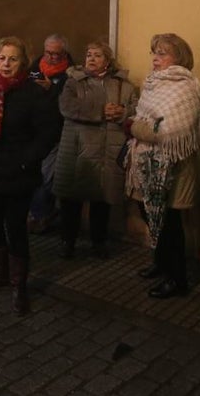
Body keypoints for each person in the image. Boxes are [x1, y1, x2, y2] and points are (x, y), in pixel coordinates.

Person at [0, 36, 60, 314]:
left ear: (23, 63)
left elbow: (47, 133)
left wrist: (26, 160)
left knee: (16, 229)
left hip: (18, 175)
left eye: (13, 59)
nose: (6, 64)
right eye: (2, 58)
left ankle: (19, 284)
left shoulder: (32, 93)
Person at [123, 34, 200, 299]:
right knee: (153, 219)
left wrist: (133, 126)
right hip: (148, 167)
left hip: (175, 170)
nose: (156, 58)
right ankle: (160, 264)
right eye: (154, 53)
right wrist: (138, 125)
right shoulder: (153, 84)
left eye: (162, 53)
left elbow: (168, 132)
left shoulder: (185, 87)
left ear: (179, 58)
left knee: (170, 225)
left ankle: (176, 278)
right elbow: (147, 118)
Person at [53, 41, 137, 259]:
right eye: (88, 54)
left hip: (107, 150)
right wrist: (99, 110)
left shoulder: (123, 85)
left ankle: (99, 242)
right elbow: (66, 106)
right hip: (78, 150)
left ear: (107, 61)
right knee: (71, 200)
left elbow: (137, 109)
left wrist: (122, 112)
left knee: (102, 200)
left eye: (97, 55)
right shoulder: (74, 82)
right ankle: (67, 241)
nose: (91, 58)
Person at [26, 34, 73, 234]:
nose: (52, 57)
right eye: (48, 53)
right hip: (32, 131)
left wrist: (50, 90)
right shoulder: (33, 70)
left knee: (47, 177)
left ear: (64, 54)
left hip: (56, 132)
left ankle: (40, 215)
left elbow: (68, 106)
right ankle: (37, 214)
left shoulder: (71, 75)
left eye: (57, 54)